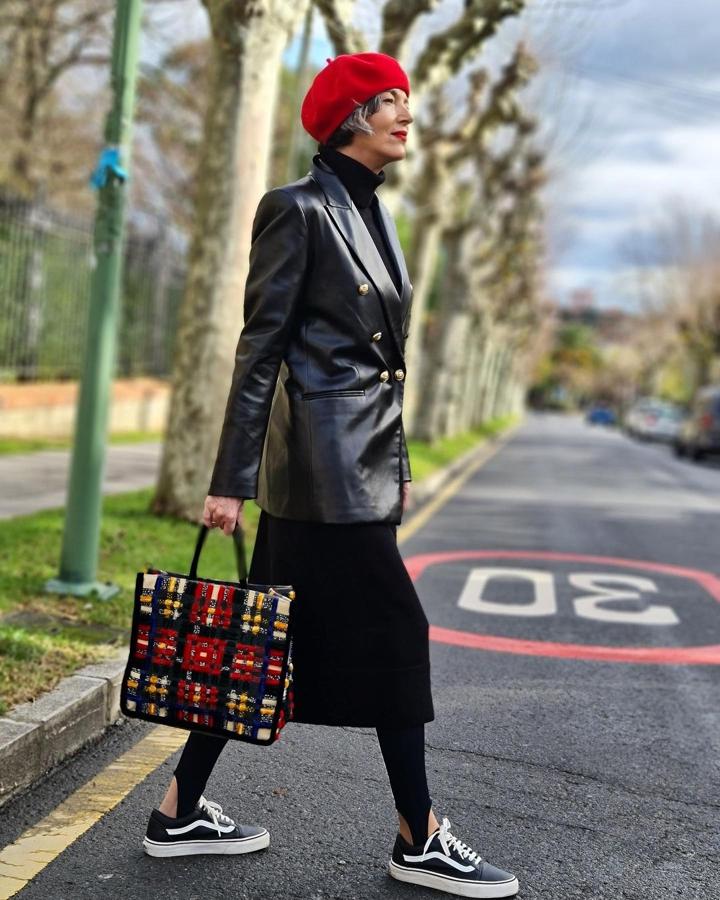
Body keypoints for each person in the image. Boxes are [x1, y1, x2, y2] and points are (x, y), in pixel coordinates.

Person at [142, 52, 520, 899]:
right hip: (318, 470)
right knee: (398, 635)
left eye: (406, 102)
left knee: (261, 645)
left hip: (360, 465)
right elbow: (259, 351)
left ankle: (177, 811)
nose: (406, 115)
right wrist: (229, 478)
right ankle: (417, 836)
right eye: (390, 101)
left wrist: (402, 463)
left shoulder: (375, 215)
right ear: (350, 115)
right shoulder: (298, 209)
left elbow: (386, 363)